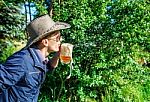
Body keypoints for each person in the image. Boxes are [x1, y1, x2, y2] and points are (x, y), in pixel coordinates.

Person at [0, 14, 71, 102]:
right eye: (57, 38)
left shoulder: (40, 58)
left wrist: (58, 55)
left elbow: (48, 67)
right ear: (45, 42)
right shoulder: (22, 60)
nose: (60, 41)